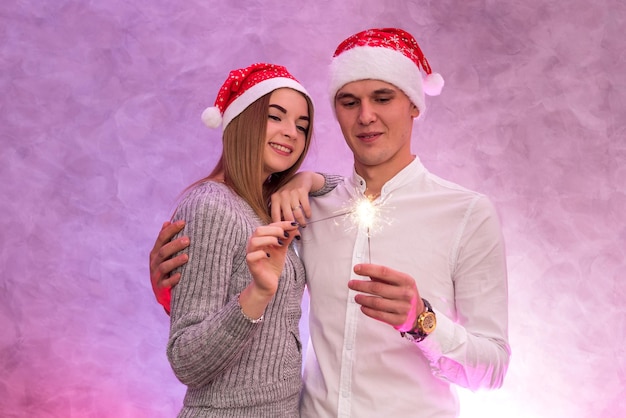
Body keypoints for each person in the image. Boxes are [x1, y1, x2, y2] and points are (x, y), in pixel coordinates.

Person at [151, 29, 510, 417]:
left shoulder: (467, 214)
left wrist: (421, 321)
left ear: (414, 104)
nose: (366, 116)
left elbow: (492, 370)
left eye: (383, 97)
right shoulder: (307, 210)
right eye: (349, 101)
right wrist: (172, 285)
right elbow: (228, 284)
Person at [161, 62, 318, 418]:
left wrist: (309, 179)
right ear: (243, 119)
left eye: (302, 125)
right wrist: (257, 295)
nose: (291, 132)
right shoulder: (210, 206)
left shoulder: (270, 203)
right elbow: (186, 361)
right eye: (275, 117)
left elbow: (356, 191)